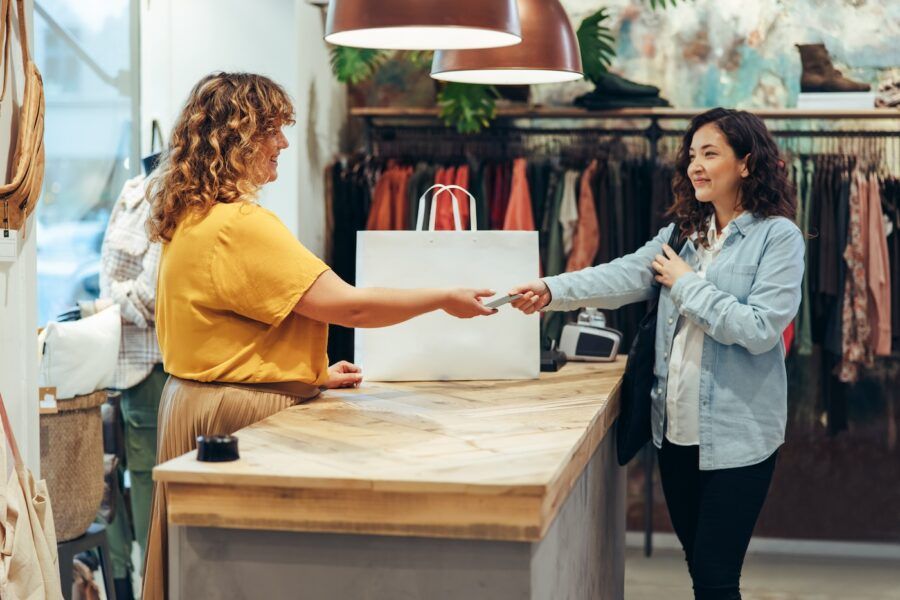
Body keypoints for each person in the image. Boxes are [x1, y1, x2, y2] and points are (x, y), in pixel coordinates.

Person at [141, 72, 495, 600]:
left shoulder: (192, 216)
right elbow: (348, 306)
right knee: (247, 577)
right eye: (272, 130)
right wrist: (441, 298)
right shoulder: (240, 224)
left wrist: (309, 372)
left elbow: (228, 327)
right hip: (234, 420)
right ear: (237, 136)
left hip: (193, 404)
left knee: (205, 573)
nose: (283, 143)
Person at [509, 108, 804, 600]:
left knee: (715, 574)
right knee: (699, 567)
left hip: (739, 436)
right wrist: (549, 288)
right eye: (692, 155)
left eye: (711, 154)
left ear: (747, 163)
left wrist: (687, 286)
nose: (696, 166)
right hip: (675, 434)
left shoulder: (778, 237)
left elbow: (759, 328)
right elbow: (622, 274)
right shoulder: (685, 233)